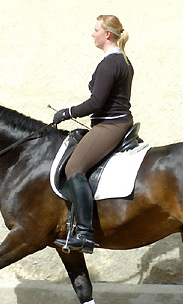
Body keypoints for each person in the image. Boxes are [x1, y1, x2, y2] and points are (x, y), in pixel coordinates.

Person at [53, 15, 134, 254]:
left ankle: (85, 235)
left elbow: (96, 102)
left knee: (73, 168)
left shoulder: (110, 63)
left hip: (110, 125)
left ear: (107, 34)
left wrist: (67, 112)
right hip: (111, 123)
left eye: (96, 29)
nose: (93, 34)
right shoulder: (120, 61)